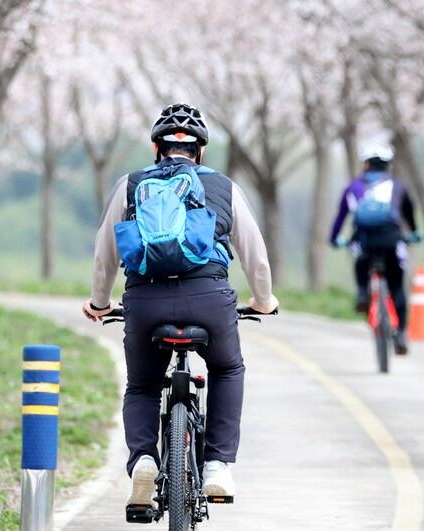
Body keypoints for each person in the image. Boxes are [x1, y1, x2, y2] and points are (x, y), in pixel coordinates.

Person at [83, 103, 278, 507]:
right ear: (200, 152)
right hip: (209, 298)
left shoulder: (131, 184)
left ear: (157, 147)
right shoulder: (224, 187)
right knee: (227, 369)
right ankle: (218, 466)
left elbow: (106, 254)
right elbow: (254, 255)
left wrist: (100, 303)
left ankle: (142, 459)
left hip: (145, 301)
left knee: (142, 385)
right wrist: (263, 300)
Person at [328, 142, 420, 355]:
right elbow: (410, 215)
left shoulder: (354, 187)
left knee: (360, 260)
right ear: (387, 165)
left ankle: (362, 293)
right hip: (392, 241)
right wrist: (413, 233)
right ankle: (402, 333)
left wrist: (334, 239)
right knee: (397, 286)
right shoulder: (398, 186)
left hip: (364, 242)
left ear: (366, 164)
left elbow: (340, 218)